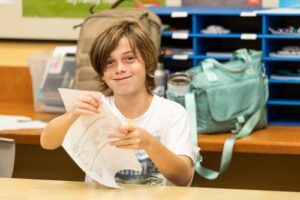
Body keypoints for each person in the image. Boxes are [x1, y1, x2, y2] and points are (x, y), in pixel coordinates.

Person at [40, 20, 197, 186]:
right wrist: (71, 115)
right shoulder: (95, 108)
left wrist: (149, 143)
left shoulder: (172, 112)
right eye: (109, 62)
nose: (120, 68)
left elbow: (183, 177)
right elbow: (47, 142)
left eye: (129, 58)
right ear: (101, 73)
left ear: (148, 64)